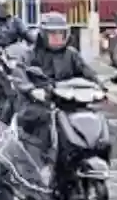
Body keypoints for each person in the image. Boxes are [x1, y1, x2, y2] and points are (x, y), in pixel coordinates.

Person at [8, 11, 107, 173]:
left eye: (61, 34)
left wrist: (102, 88)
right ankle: (43, 161)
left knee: (91, 117)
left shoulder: (71, 54)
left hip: (68, 102)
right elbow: (19, 75)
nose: (57, 38)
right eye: (52, 34)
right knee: (43, 119)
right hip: (39, 103)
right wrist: (32, 90)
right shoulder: (30, 54)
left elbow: (88, 72)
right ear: (43, 35)